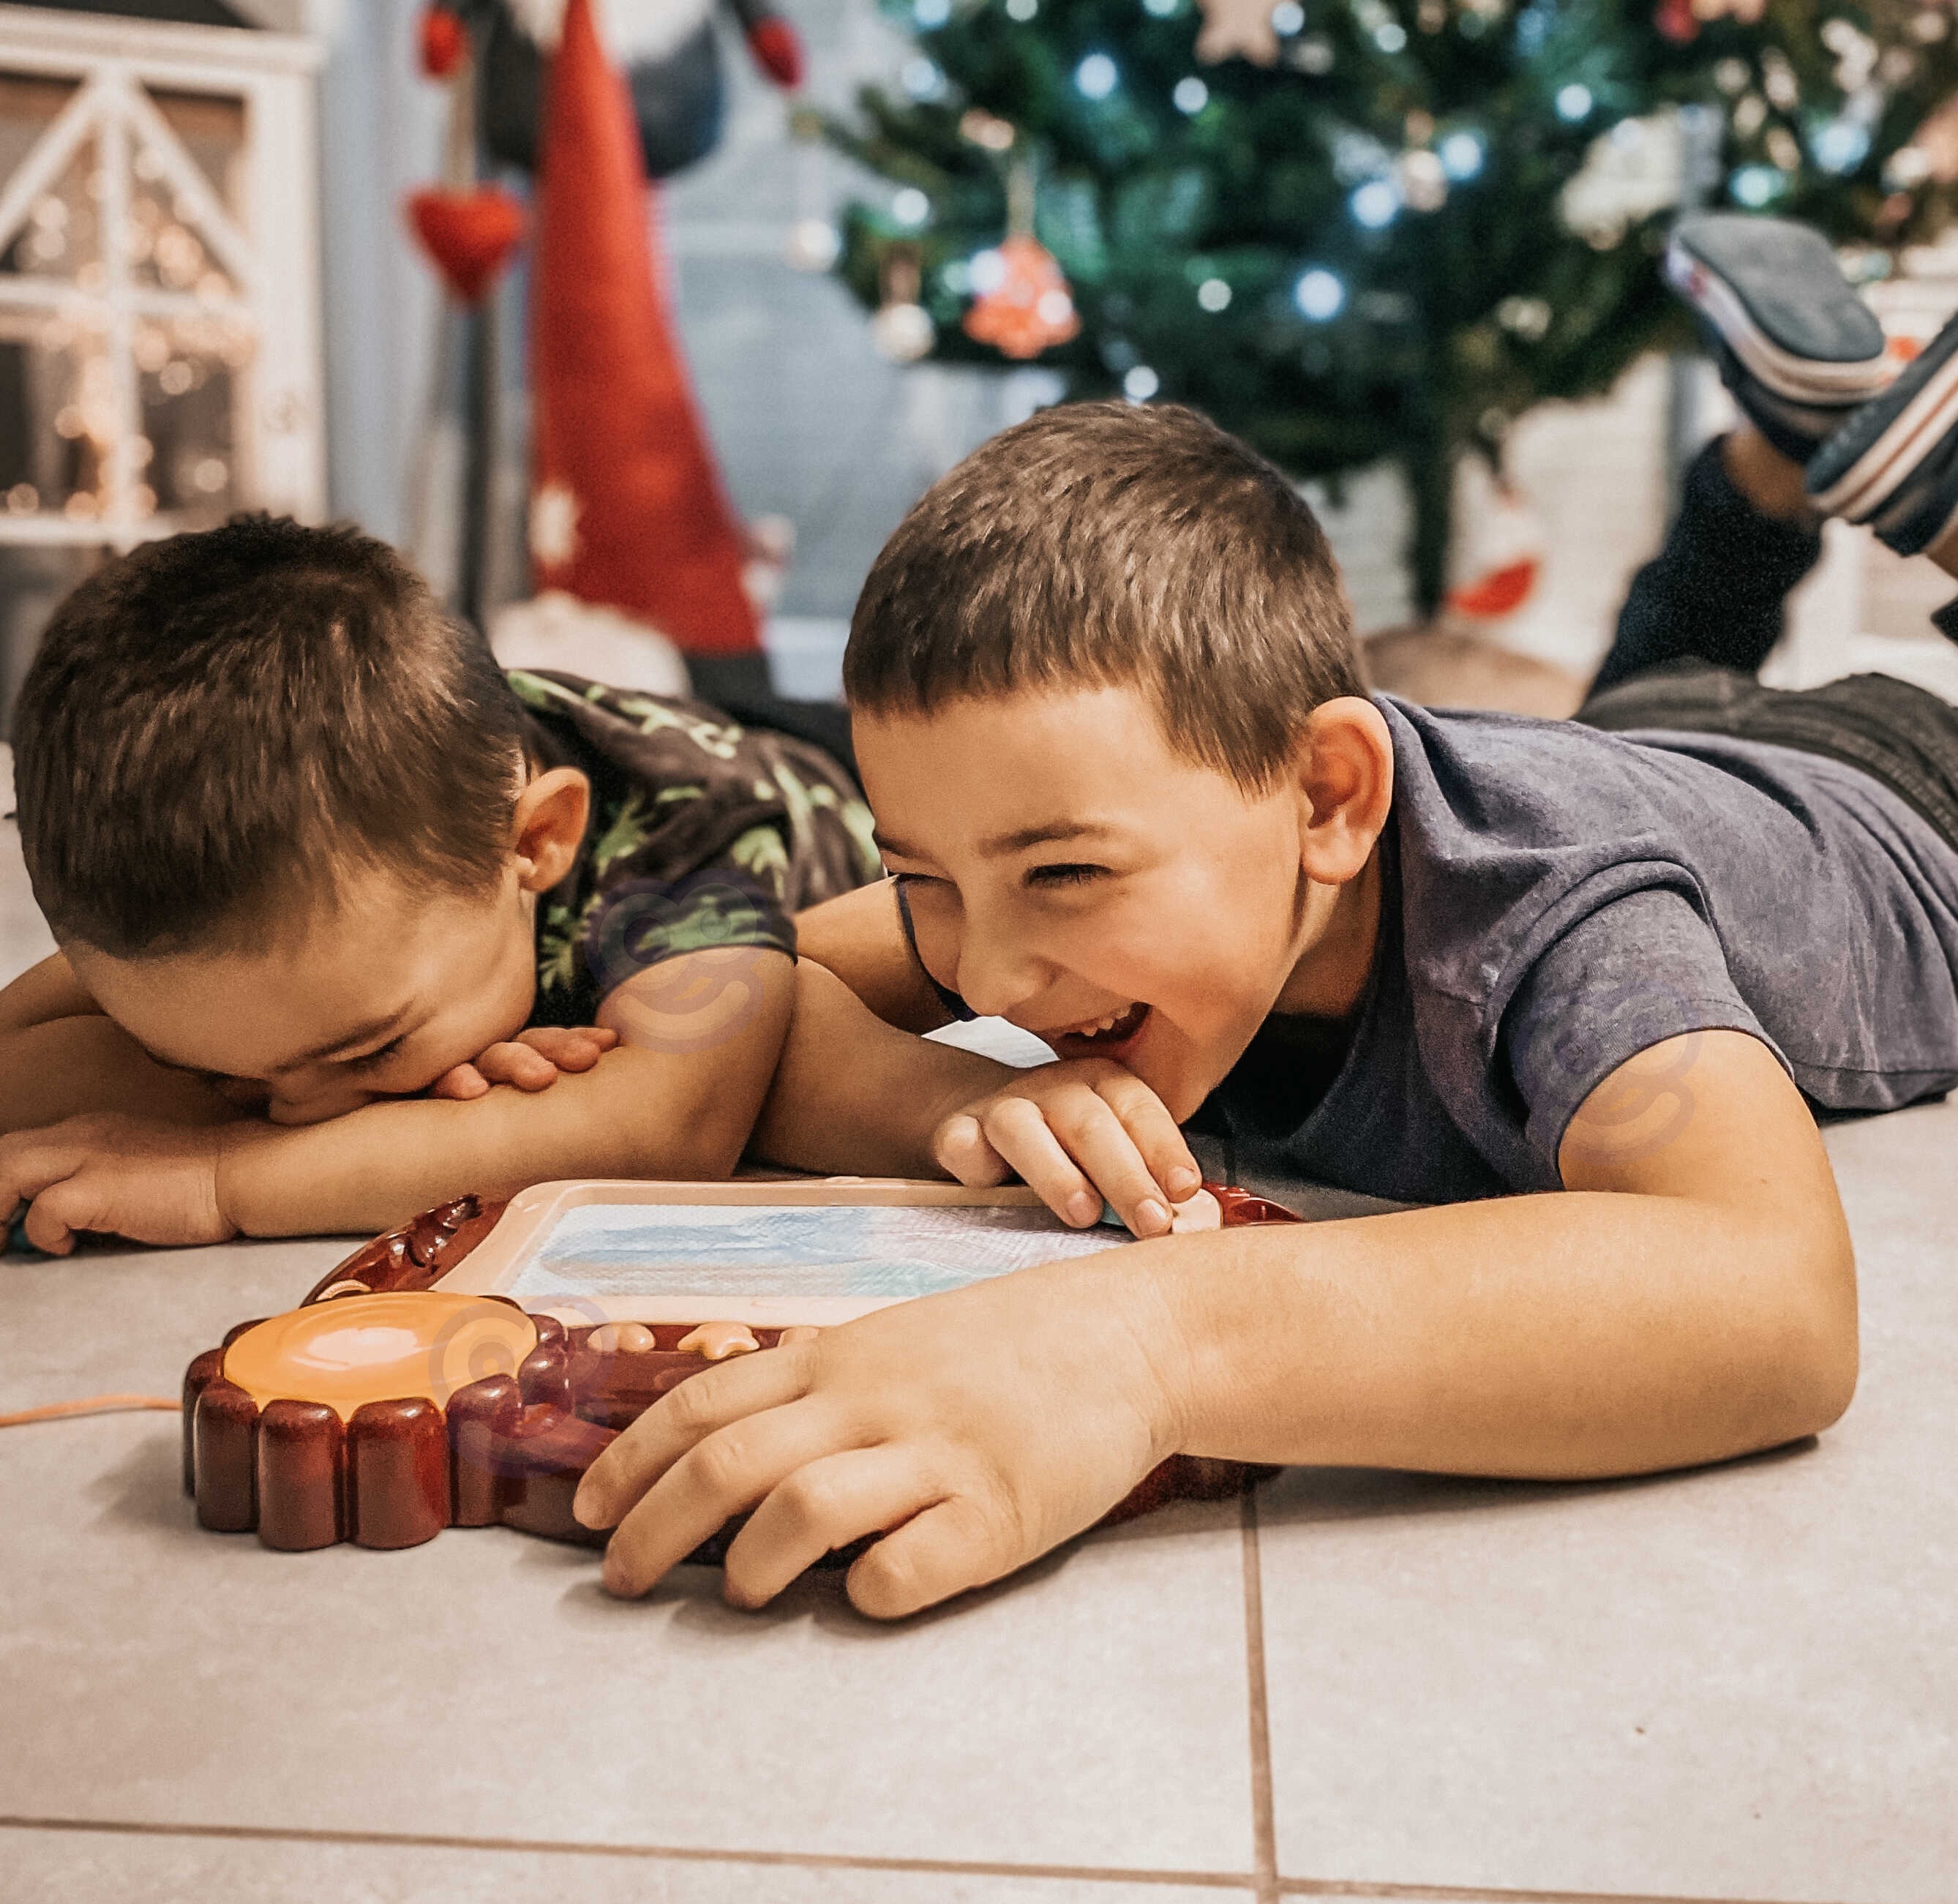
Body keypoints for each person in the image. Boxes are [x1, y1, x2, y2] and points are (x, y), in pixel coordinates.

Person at [569, 215, 1958, 1621]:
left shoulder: (1545, 919)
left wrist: (1141, 1347)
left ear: (1326, 799)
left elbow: (1773, 1299)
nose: (983, 969)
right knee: (1646, 693)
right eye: (925, 877)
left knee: (1654, 724)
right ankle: (1766, 471)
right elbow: (721, 967)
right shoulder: (1044, 884)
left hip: (1906, 795)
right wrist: (948, 1100)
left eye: (1063, 876)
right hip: (1640, 746)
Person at [0, 517, 901, 1244]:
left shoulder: (683, 822)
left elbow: (671, 1125)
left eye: (365, 1053)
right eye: (217, 1076)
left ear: (535, 844)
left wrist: (220, 1177)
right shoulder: (316, 897)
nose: (299, 1115)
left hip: (826, 775)